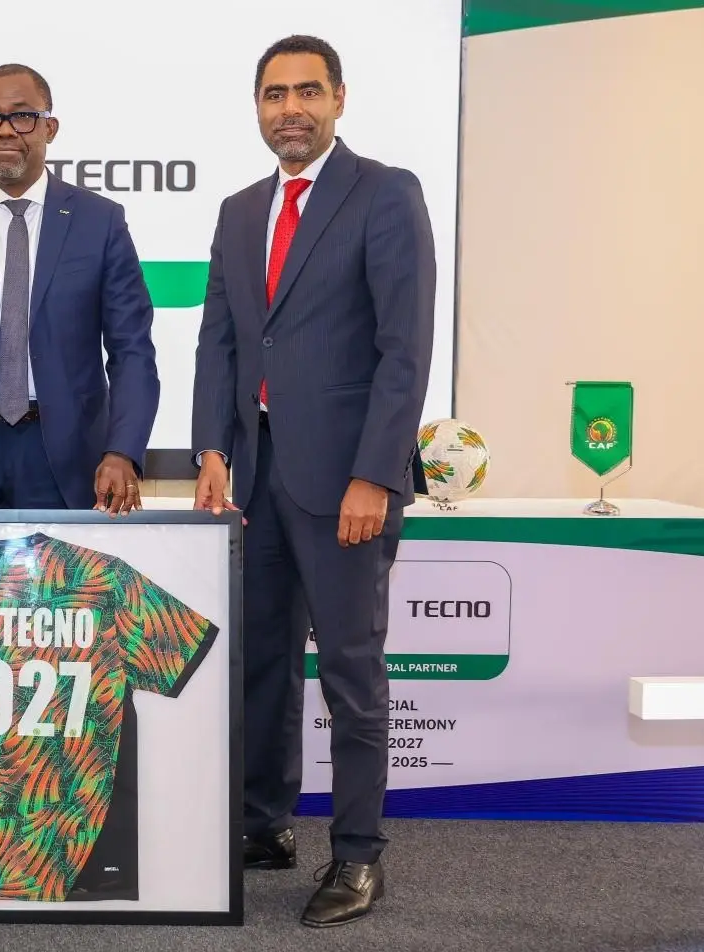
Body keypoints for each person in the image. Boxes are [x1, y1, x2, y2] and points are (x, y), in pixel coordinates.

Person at [191, 35, 436, 927]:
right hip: (253, 478)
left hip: (344, 484)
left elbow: (403, 349)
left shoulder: (384, 192)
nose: (288, 109)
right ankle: (263, 824)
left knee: (348, 672)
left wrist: (374, 475)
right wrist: (210, 451)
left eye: (305, 91)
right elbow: (220, 339)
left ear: (337, 98)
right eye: (273, 94)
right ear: (257, 107)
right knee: (258, 662)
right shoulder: (237, 209)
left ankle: (359, 855)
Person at [0, 63, 159, 515]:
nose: (4, 129)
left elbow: (132, 349)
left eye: (21, 116)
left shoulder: (100, 221)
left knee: (68, 569)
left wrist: (122, 451)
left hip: (74, 464)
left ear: (49, 128)